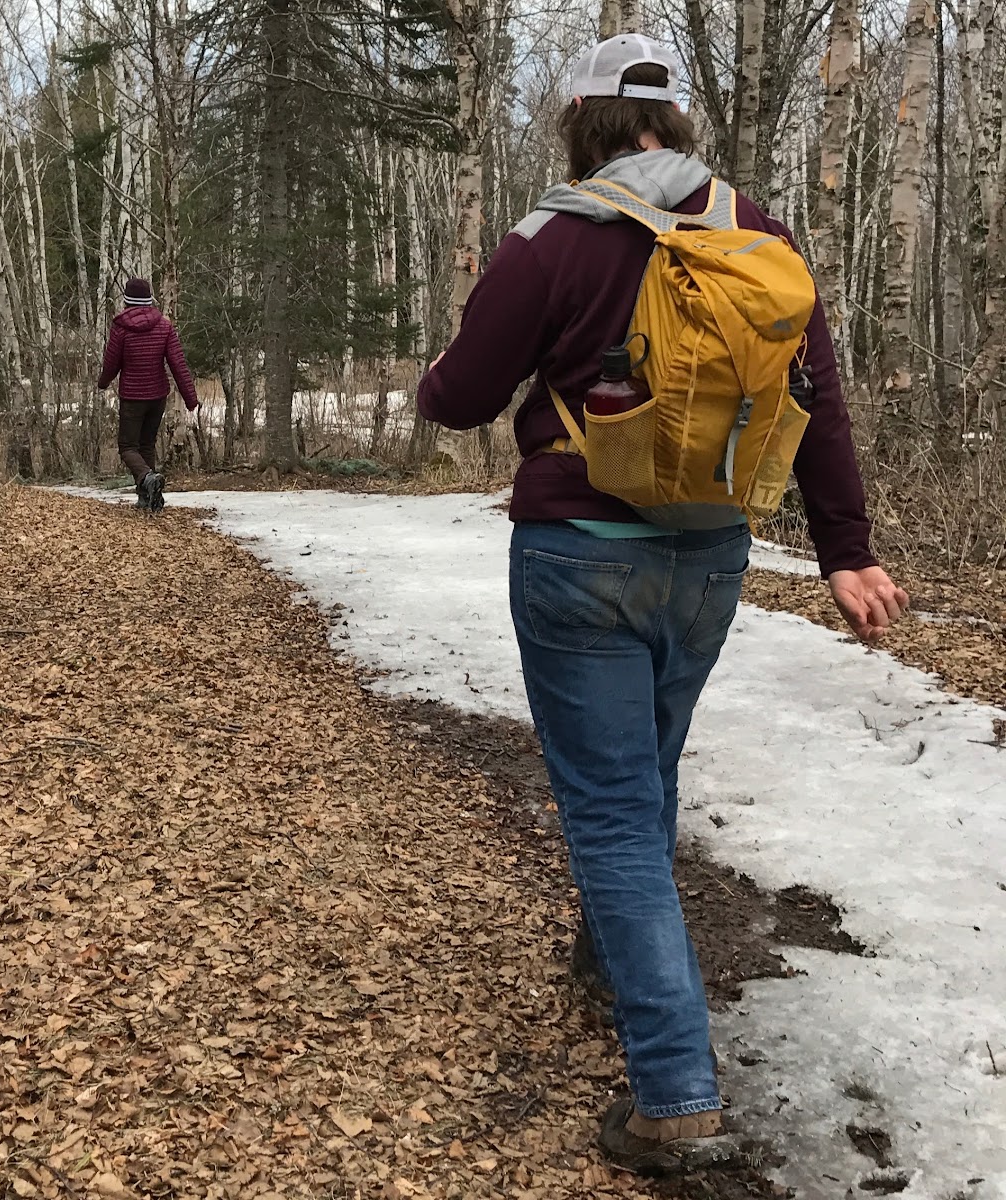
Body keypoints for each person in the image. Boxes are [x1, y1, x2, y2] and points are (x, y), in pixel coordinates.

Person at [415, 34, 909, 1175]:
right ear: (673, 121)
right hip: (707, 558)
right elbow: (814, 399)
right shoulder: (758, 233)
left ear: (582, 121)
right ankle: (608, 961)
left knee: (607, 806)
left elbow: (462, 397)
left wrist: (436, 378)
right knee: (640, 773)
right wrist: (843, 549)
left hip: (577, 553)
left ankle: (674, 1090)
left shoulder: (552, 238)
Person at [97, 278, 199, 511]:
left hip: (133, 396)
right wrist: (190, 398)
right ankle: (149, 499)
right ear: (149, 299)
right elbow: (178, 364)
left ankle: (147, 478)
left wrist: (103, 383)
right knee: (147, 445)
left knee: (127, 447)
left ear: (126, 300)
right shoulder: (164, 326)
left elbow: (111, 363)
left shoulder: (121, 328)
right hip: (157, 397)